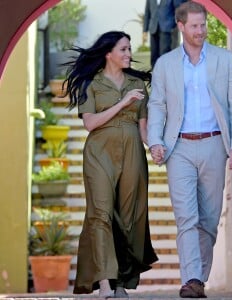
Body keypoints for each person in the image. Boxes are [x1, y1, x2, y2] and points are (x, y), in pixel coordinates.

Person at [147, 1, 232, 298]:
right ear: (180, 26)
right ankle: (191, 278)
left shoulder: (225, 60)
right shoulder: (165, 64)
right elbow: (157, 105)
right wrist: (155, 140)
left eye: (203, 25)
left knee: (209, 220)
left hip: (215, 144)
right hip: (179, 148)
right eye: (194, 26)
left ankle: (198, 278)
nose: (200, 31)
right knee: (186, 218)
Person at [63, 31, 158, 298]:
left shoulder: (137, 84)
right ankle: (104, 282)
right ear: (108, 53)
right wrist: (123, 102)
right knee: (100, 214)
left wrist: (160, 147)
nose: (129, 54)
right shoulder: (90, 84)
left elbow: (143, 131)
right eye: (124, 49)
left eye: (130, 49)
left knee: (129, 219)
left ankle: (120, 284)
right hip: (99, 153)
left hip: (132, 153)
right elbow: (90, 123)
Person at [143, 0, 187, 68]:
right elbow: (147, 13)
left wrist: (177, 23)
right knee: (154, 55)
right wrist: (145, 31)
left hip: (167, 29)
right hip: (153, 29)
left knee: (164, 54)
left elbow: (179, 8)